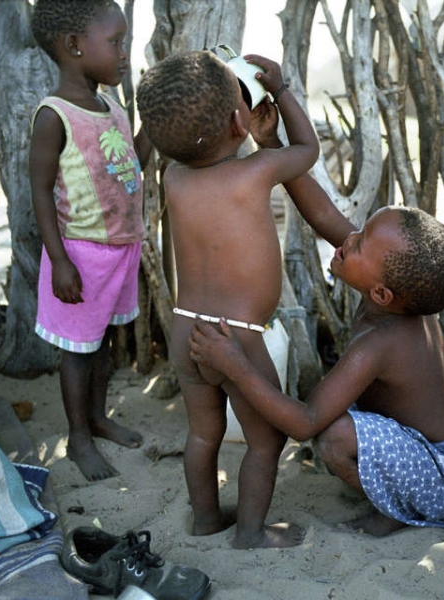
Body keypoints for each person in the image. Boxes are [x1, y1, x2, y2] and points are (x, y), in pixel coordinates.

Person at [187, 204, 444, 537]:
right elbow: (323, 215)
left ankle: (401, 510)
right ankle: (405, 495)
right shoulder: (401, 292)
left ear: (381, 293)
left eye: (360, 242)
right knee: (337, 409)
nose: (349, 239)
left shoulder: (379, 343)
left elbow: (305, 423)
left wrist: (236, 366)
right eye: (361, 230)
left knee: (333, 435)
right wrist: (283, 154)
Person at [135, 50, 354, 549]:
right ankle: (252, 533)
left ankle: (206, 518)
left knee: (202, 435)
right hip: (240, 338)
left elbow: (190, 144)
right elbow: (308, 148)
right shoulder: (255, 171)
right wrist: (280, 89)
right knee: (265, 439)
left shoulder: (174, 178)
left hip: (188, 329)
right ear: (240, 120)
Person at [29, 0, 152, 482]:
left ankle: (98, 418)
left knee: (99, 343)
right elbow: (39, 190)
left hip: (121, 248)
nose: (124, 54)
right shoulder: (54, 116)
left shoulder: (112, 107)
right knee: (77, 351)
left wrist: (153, 132)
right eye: (116, 42)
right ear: (74, 45)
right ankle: (77, 435)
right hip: (80, 252)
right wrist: (59, 260)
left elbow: (131, 167)